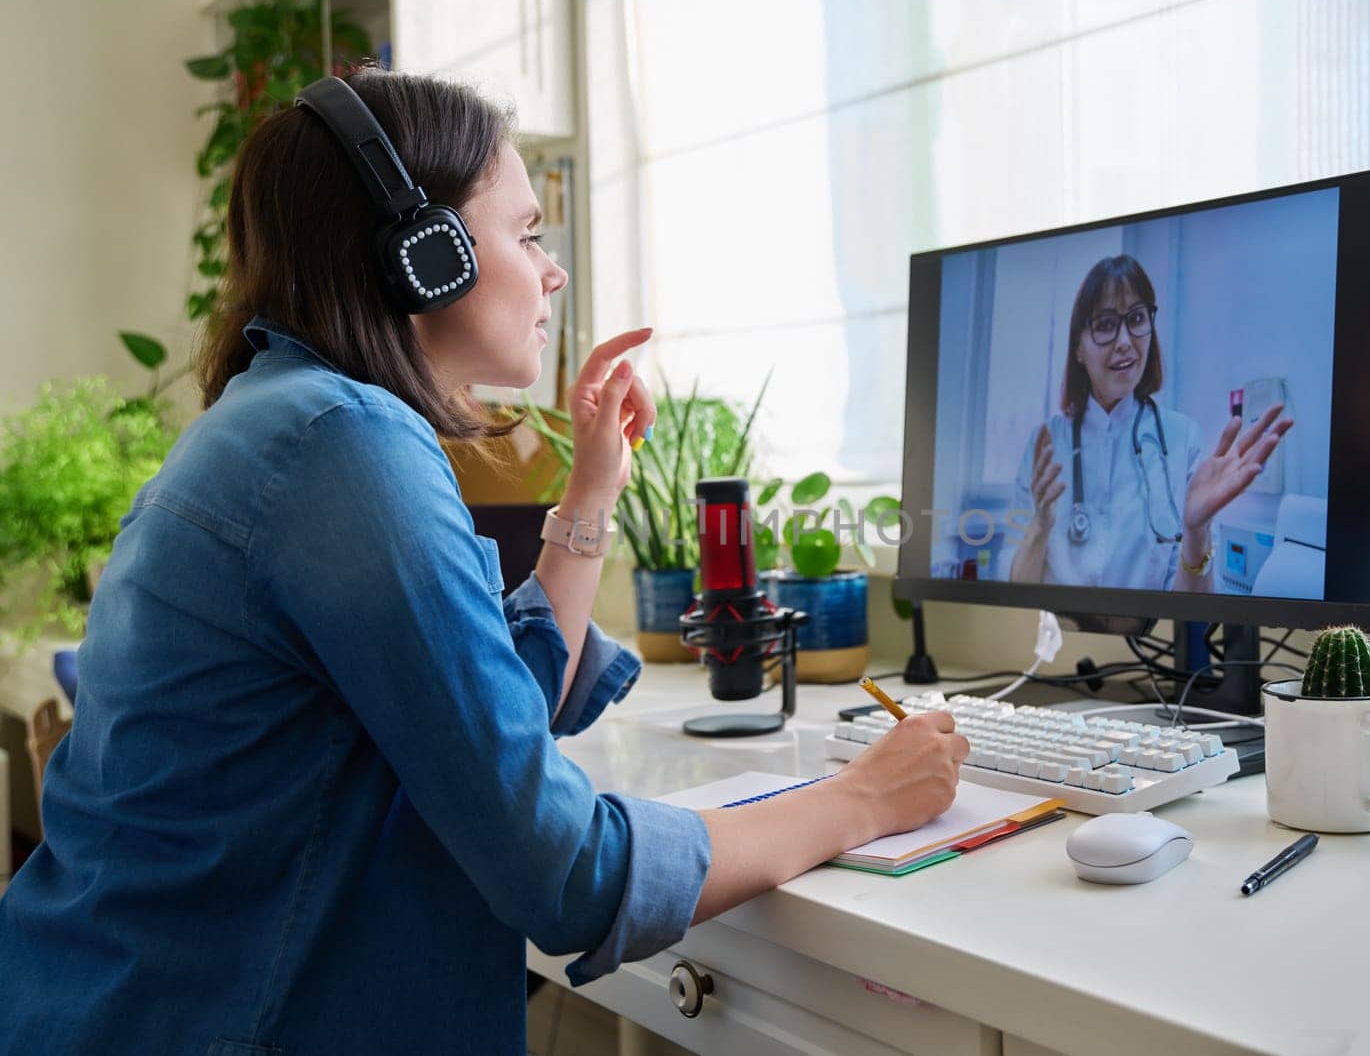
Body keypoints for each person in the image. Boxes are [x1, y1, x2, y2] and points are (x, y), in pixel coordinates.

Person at [0, 69, 967, 1055]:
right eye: (529, 234)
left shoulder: (284, 419)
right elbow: (565, 873)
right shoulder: (342, 443)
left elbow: (484, 711)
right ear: (427, 254)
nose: (552, 274)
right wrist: (861, 798)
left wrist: (590, 492)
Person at [1008, 255, 1292, 591]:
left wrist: (1196, 532)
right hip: (1058, 639)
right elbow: (1016, 591)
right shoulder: (1046, 445)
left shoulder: (1182, 438)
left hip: (1148, 639)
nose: (1125, 341)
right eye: (1105, 324)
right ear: (1078, 349)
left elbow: (1191, 614)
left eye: (1137, 318)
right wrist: (1040, 526)